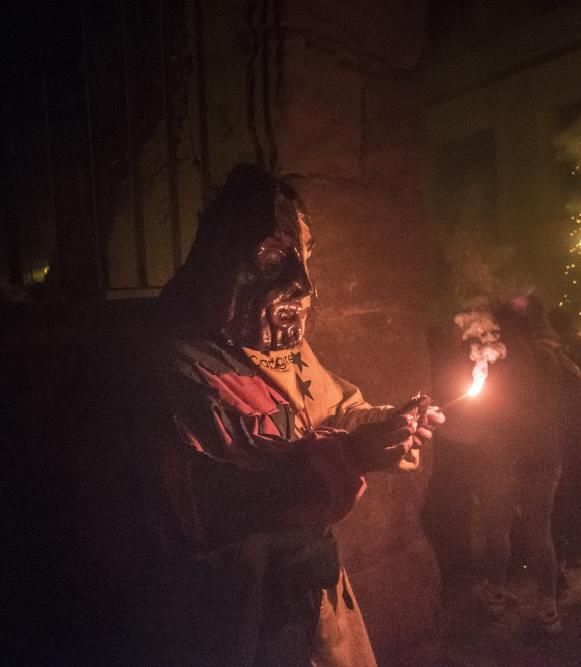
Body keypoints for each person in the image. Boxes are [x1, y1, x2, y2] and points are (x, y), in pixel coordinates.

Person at [134, 164, 444, 665]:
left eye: (305, 257)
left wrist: (386, 425)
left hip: (310, 603)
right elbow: (203, 503)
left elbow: (335, 409)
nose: (303, 283)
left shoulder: (269, 345)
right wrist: (348, 457)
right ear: (223, 259)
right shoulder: (168, 363)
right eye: (274, 256)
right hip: (238, 623)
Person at [464, 296, 565, 635]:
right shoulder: (549, 357)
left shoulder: (501, 356)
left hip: (505, 455)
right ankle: (548, 608)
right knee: (540, 530)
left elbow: (488, 409)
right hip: (543, 455)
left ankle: (495, 593)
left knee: (498, 528)